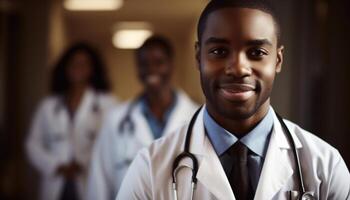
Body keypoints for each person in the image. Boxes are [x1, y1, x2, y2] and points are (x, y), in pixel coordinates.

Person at [116, 1, 350, 200]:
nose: (238, 68)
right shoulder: (149, 169)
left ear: (278, 60)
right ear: (199, 57)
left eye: (257, 52)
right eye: (219, 51)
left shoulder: (325, 166)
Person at [86, 36, 198, 200]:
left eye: (159, 62)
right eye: (144, 64)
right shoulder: (115, 120)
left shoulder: (196, 118)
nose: (151, 69)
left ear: (171, 65)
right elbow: (99, 181)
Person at [26, 42, 118, 200]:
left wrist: (87, 162)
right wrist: (56, 166)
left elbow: (115, 143)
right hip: (55, 183)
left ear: (93, 69)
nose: (78, 67)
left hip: (91, 179)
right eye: (74, 63)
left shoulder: (109, 103)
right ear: (65, 67)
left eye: (84, 63)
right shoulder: (48, 106)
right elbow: (33, 144)